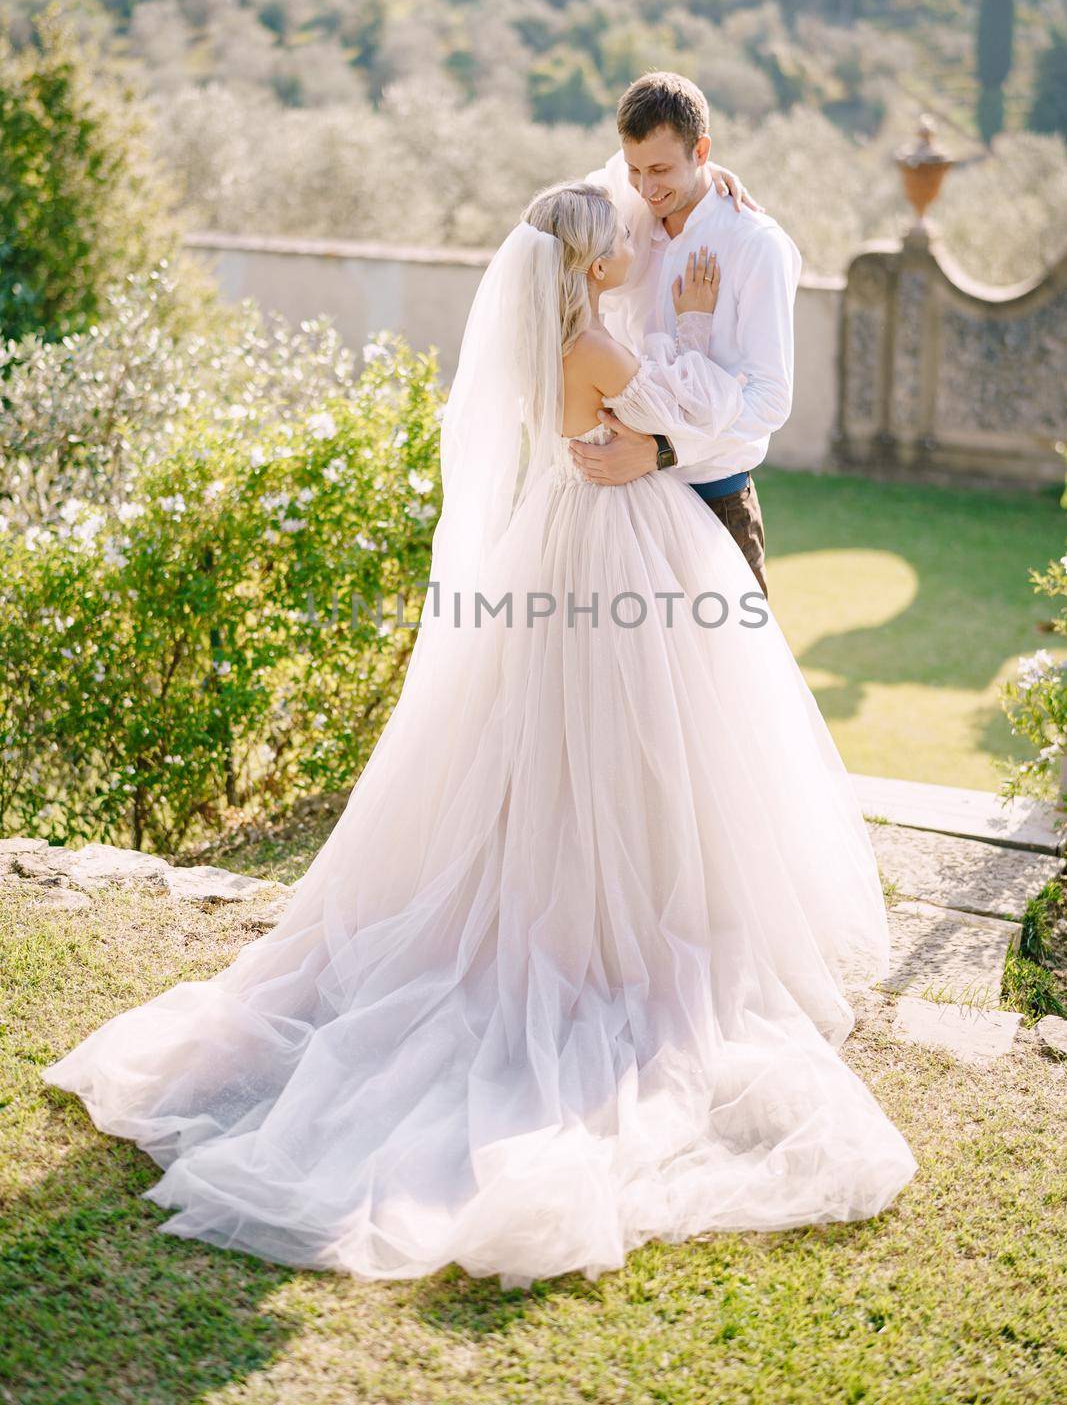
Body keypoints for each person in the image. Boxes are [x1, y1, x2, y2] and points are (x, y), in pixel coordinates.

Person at [42, 181, 916, 1291]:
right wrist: (692, 325)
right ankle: (618, 918)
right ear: (590, 266)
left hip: (550, 543)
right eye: (615, 242)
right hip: (617, 547)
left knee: (541, 742)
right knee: (635, 742)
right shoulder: (596, 348)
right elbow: (688, 417)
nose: (627, 247)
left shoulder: (541, 342)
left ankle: (562, 892)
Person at [578, 70, 801, 602]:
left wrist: (662, 450)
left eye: (661, 169)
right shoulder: (628, 213)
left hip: (714, 507)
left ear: (701, 149)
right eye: (635, 170)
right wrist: (683, 173)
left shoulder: (755, 245)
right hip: (624, 511)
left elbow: (770, 399)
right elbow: (588, 191)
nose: (647, 188)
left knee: (732, 682)